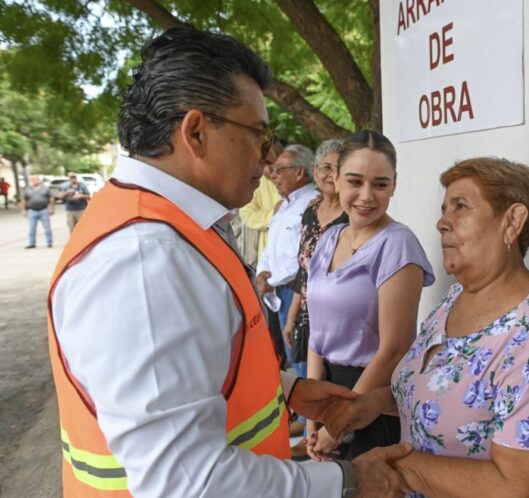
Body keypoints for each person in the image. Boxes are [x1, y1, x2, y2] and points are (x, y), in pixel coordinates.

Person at [47, 27, 408, 498]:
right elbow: (188, 482)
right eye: (259, 134)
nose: (268, 157)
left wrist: (286, 390)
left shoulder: (176, 229)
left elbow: (197, 364)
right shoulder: (146, 260)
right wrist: (347, 479)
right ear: (195, 131)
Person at [322, 158, 529, 498]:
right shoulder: (454, 299)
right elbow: (440, 393)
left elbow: (520, 487)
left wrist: (401, 470)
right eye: (444, 209)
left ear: (512, 221)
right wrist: (370, 404)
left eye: (460, 207)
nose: (442, 222)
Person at [306, 130, 435, 461]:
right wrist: (311, 406)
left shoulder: (397, 244)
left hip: (372, 397)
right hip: (326, 391)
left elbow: (394, 348)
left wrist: (341, 422)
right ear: (335, 180)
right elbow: (316, 330)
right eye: (355, 181)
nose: (366, 195)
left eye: (379, 184)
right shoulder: (329, 239)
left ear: (394, 185)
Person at [282, 138, 348, 457]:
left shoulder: (352, 212)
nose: (330, 174)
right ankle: (313, 436)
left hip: (337, 313)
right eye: (324, 167)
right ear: (315, 171)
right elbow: (303, 266)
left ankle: (334, 439)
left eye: (338, 168)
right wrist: (293, 313)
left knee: (334, 381)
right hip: (309, 310)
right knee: (310, 378)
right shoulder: (310, 209)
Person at [256, 144, 317, 380]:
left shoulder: (313, 204)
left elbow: (306, 255)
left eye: (280, 169)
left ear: (300, 172)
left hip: (298, 292)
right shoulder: (284, 206)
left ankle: (308, 417)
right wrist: (263, 272)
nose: (273, 174)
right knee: (293, 355)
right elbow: (271, 248)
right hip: (280, 291)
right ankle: (302, 416)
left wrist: (272, 279)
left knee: (303, 355)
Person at [236, 141, 283, 267]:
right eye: (267, 163)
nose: (271, 169)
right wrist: (274, 215)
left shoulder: (293, 179)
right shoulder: (255, 181)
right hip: (267, 260)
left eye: (277, 164)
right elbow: (247, 214)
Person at [21, 174, 54, 248]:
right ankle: (32, 243)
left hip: (43, 210)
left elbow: (51, 199)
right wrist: (23, 210)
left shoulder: (45, 189)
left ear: (39, 180)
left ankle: (49, 242)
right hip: (32, 210)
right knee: (32, 228)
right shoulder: (28, 189)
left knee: (47, 227)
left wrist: (51, 208)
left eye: (35, 179)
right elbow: (24, 200)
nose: (34, 181)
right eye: (32, 180)